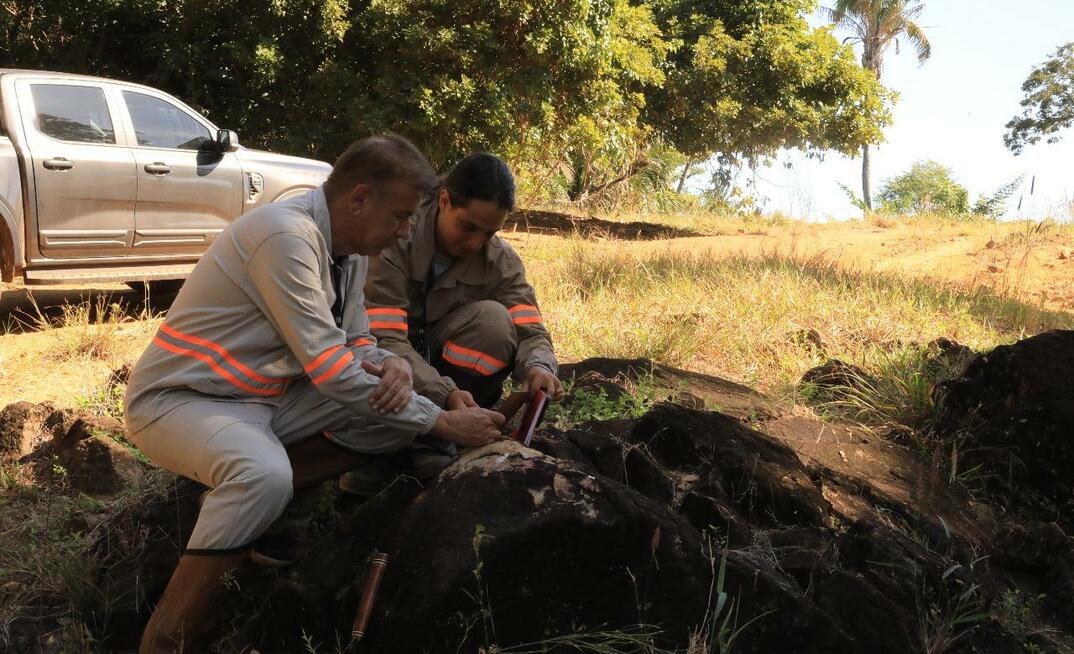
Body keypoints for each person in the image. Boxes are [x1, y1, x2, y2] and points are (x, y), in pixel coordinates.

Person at [123, 135, 505, 654]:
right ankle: (168, 637)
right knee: (263, 474)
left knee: (388, 414)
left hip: (265, 399)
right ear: (359, 197)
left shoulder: (349, 251)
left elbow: (357, 340)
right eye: (400, 217)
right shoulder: (285, 236)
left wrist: (391, 364)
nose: (405, 232)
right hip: (182, 401)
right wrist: (441, 422)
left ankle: (269, 511)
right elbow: (332, 370)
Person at [353, 153, 561, 489]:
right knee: (382, 365)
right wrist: (445, 395)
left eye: (489, 233)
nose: (476, 243)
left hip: (445, 377)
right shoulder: (394, 240)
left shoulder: (500, 260)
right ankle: (386, 449)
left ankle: (438, 442)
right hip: (388, 368)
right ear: (445, 200)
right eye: (468, 227)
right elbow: (383, 340)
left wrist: (539, 366)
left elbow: (530, 329)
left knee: (494, 323)